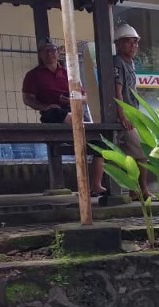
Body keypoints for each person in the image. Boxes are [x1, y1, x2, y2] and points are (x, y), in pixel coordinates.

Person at [21, 38, 107, 196]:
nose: (51, 53)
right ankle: (80, 129)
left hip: (72, 109)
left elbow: (84, 97)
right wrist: (44, 106)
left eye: (53, 50)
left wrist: (73, 101)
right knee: (59, 113)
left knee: (100, 144)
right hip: (51, 112)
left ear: (58, 52)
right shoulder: (34, 75)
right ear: (40, 54)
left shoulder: (67, 73)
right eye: (46, 50)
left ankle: (96, 185)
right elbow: (28, 98)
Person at [113, 24, 151, 201]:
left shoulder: (131, 63)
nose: (133, 46)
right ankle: (140, 190)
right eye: (129, 42)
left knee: (137, 154)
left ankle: (137, 190)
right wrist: (123, 114)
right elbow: (117, 90)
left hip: (133, 112)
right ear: (119, 44)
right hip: (125, 114)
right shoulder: (118, 62)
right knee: (140, 152)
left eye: (135, 42)